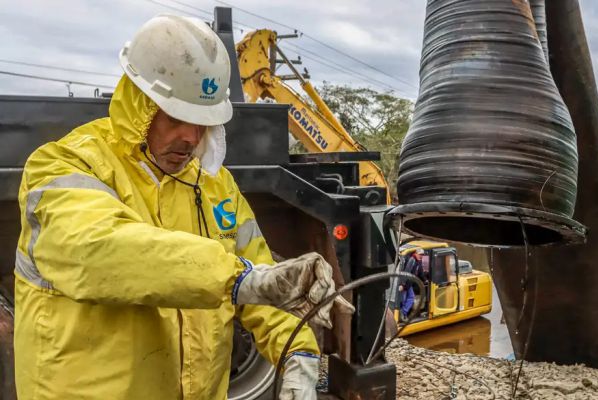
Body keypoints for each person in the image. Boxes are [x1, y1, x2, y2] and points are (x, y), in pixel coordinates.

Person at [13, 15, 352, 400]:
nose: (191, 138)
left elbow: (265, 281)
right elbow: (98, 250)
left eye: (202, 121)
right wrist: (237, 278)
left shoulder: (213, 186)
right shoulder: (64, 166)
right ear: (141, 103)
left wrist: (298, 352)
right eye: (177, 117)